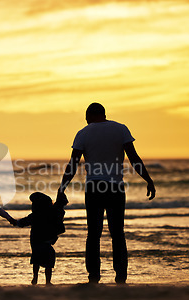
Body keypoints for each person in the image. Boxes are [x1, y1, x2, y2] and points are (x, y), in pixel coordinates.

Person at [58, 102, 156, 284]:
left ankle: (94, 276)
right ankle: (121, 276)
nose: (86, 121)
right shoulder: (121, 129)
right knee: (117, 232)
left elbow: (73, 163)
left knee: (93, 233)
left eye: (86, 117)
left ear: (90, 115)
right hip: (115, 187)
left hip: (94, 187)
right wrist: (148, 180)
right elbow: (134, 157)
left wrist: (62, 188)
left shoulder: (83, 133)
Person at [14, 192, 68, 286]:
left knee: (36, 260)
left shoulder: (35, 215)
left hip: (36, 241)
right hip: (47, 241)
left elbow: (23, 222)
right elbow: (60, 205)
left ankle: (35, 277)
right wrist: (61, 194)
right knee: (49, 262)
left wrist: (15, 222)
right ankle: (47, 281)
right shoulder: (52, 212)